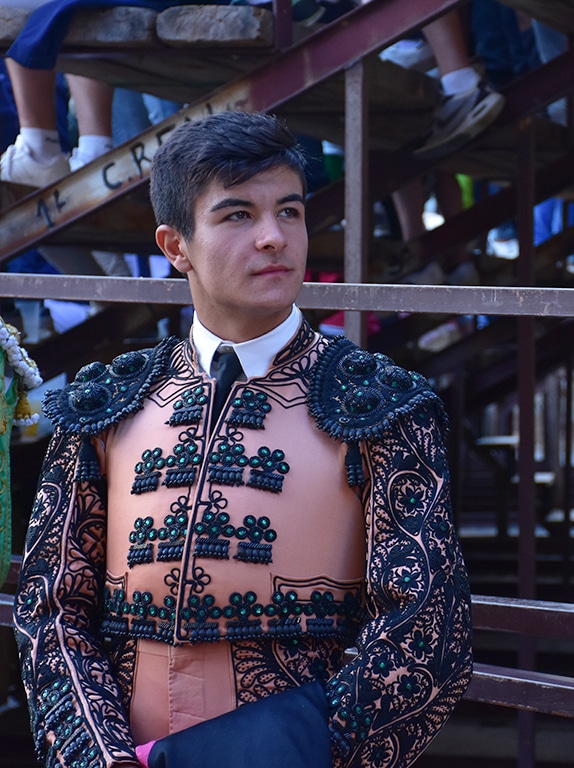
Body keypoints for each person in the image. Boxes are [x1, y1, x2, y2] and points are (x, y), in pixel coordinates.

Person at [14, 110, 472, 768]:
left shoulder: (383, 405)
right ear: (176, 247)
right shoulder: (105, 401)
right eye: (237, 216)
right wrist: (102, 760)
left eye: (289, 212)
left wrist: (268, 751)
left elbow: (425, 638)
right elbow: (52, 608)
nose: (273, 238)